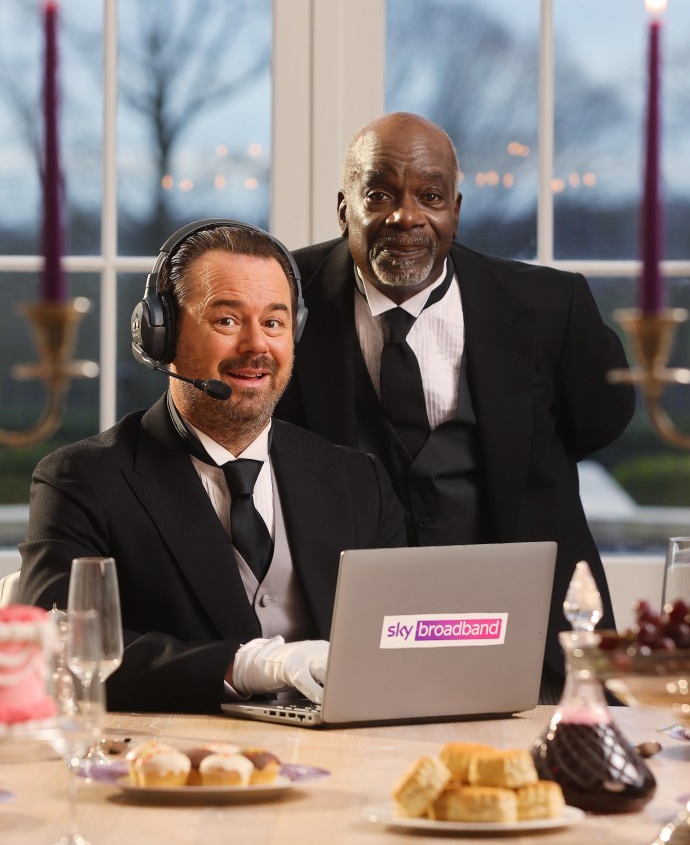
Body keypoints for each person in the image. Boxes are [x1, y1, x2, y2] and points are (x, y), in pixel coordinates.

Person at [275, 112, 636, 700]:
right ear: (344, 209)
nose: (406, 217)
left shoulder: (550, 306)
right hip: (341, 639)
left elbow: (601, 420)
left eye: (430, 195)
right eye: (379, 194)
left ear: (457, 210)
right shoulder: (283, 296)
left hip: (534, 634)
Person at [18, 220, 406, 713]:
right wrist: (242, 665)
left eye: (274, 322)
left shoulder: (358, 482)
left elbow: (400, 640)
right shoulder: (79, 481)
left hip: (346, 768)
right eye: (227, 321)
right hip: (172, 768)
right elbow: (56, 651)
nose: (255, 346)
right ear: (163, 336)